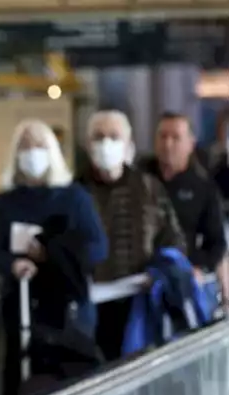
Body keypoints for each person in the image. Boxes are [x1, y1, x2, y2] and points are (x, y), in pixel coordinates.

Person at [0, 119, 108, 395]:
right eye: (25, 146)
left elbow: (97, 247)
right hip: (22, 308)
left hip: (70, 311)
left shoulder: (74, 198)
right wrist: (14, 264)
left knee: (74, 387)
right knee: (23, 384)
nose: (32, 153)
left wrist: (51, 252)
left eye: (39, 145)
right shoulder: (7, 203)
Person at [77, 109, 187, 360]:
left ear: (129, 145)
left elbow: (174, 240)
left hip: (141, 305)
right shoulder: (75, 192)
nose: (106, 143)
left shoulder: (149, 188)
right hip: (89, 308)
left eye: (114, 136)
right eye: (99, 136)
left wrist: (159, 272)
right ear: (87, 144)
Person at [145, 112, 229, 299]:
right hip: (139, 276)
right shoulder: (139, 178)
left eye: (176, 138)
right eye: (163, 136)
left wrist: (196, 265)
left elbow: (216, 243)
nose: (168, 144)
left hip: (180, 275)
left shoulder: (203, 187)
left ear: (190, 143)